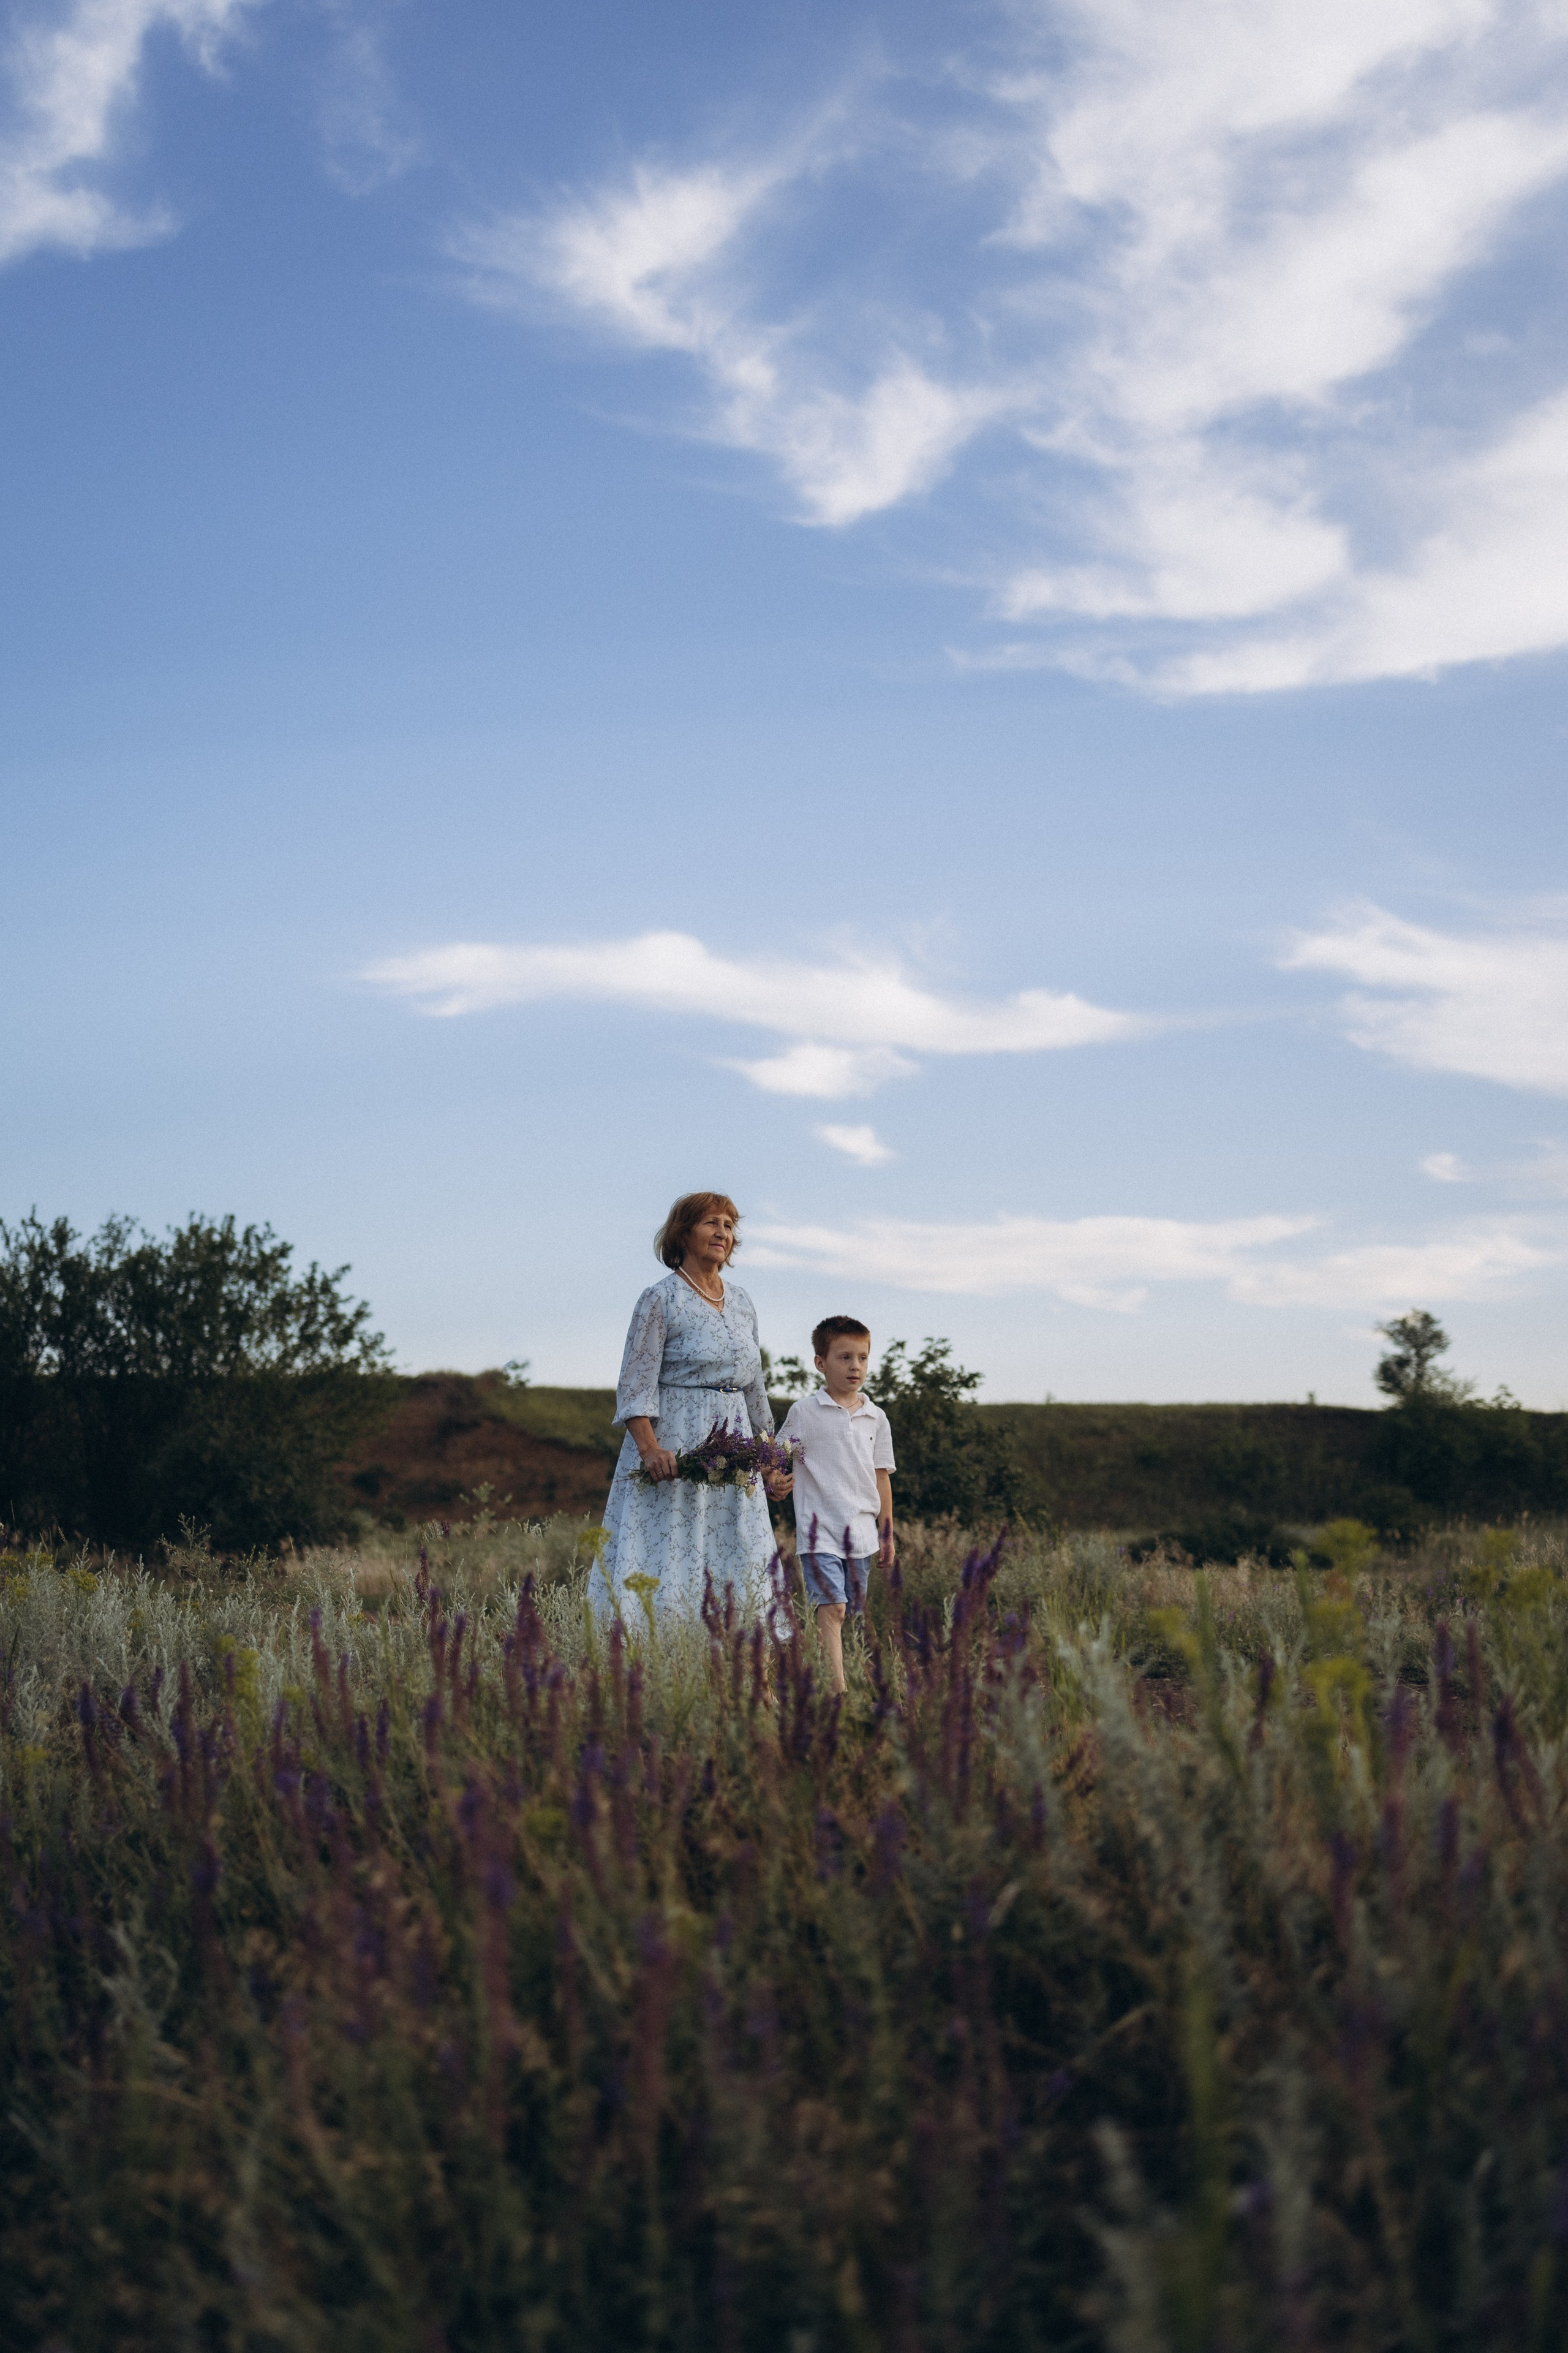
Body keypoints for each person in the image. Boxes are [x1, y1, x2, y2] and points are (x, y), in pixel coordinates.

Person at [592, 1192, 791, 1620]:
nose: (723, 1232)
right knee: (672, 1555)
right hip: (677, 1449)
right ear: (683, 1232)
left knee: (738, 1554)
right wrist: (650, 1450)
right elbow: (634, 1385)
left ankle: (739, 1664)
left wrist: (769, 1458)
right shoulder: (660, 1299)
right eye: (712, 1222)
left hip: (734, 1450)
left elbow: (754, 1388)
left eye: (730, 1225)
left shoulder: (742, 1302)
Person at [777, 1315, 895, 1695]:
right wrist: (774, 1477)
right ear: (820, 1362)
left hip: (861, 1533)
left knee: (855, 1614)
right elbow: (778, 1456)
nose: (855, 1366)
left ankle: (865, 1684)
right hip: (819, 1532)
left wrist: (887, 1533)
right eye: (844, 1357)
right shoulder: (805, 1412)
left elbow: (882, 1477)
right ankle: (837, 1692)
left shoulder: (876, 1417)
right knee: (834, 1609)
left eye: (862, 1357)